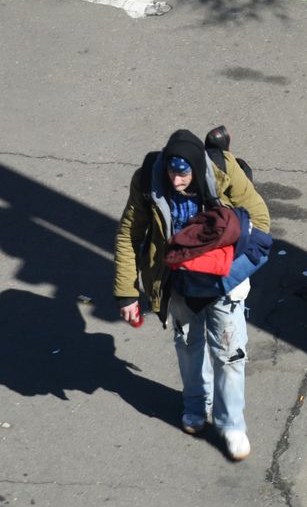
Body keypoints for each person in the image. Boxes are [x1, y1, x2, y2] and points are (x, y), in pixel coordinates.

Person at [114, 128, 271, 461]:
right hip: (178, 283)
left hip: (221, 283)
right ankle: (196, 406)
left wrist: (227, 266)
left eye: (183, 173)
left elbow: (260, 220)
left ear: (198, 169)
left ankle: (232, 425)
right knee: (187, 343)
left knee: (229, 352)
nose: (175, 181)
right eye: (171, 171)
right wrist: (126, 293)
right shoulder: (147, 181)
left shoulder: (225, 174)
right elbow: (129, 234)